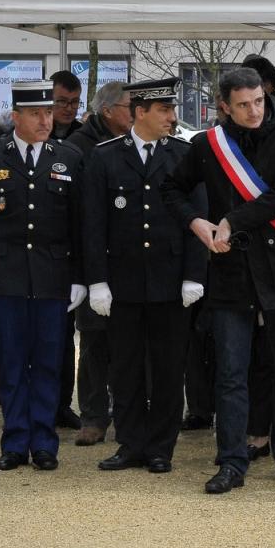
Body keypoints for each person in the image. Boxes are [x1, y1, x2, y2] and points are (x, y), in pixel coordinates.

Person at [162, 67, 275, 493]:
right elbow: (172, 188)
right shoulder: (209, 144)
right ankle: (231, 461)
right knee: (230, 372)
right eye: (243, 104)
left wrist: (230, 219)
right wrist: (196, 223)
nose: (253, 111)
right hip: (230, 270)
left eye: (259, 102)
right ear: (224, 105)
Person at [0, 80, 87, 471]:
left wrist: (82, 276)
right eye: (36, 113)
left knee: (49, 361)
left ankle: (44, 442)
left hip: (53, 277)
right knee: (12, 362)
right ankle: (15, 442)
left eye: (48, 112)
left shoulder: (68, 157)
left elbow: (82, 225)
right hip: (7, 275)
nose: (45, 120)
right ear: (15, 116)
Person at [84, 78, 205, 474]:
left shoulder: (184, 155)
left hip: (171, 280)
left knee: (169, 367)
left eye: (171, 110)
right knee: (126, 366)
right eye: (164, 110)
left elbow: (197, 218)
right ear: (141, 113)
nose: (172, 117)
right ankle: (131, 442)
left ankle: (161, 447)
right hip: (124, 280)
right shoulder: (105, 157)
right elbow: (94, 223)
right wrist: (97, 281)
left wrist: (193, 274)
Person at [65, 80, 135, 442]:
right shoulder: (78, 147)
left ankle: (129, 414)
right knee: (93, 341)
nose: (135, 112)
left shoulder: (135, 143)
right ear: (108, 111)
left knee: (130, 342)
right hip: (93, 256)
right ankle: (93, 416)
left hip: (131, 255)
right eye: (129, 106)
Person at [49, 71, 84, 143]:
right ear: (49, 100)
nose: (69, 109)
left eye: (74, 101)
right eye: (62, 101)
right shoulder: (36, 133)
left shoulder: (85, 135)